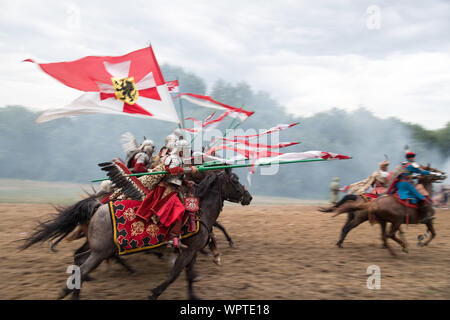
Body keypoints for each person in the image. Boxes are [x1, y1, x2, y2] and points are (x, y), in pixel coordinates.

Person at [388, 149, 437, 222]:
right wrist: (433, 173)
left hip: (399, 184)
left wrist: (415, 177)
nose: (414, 158)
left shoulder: (402, 164)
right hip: (405, 184)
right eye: (413, 157)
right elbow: (421, 172)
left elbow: (406, 175)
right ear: (410, 158)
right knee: (420, 196)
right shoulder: (411, 165)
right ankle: (424, 216)